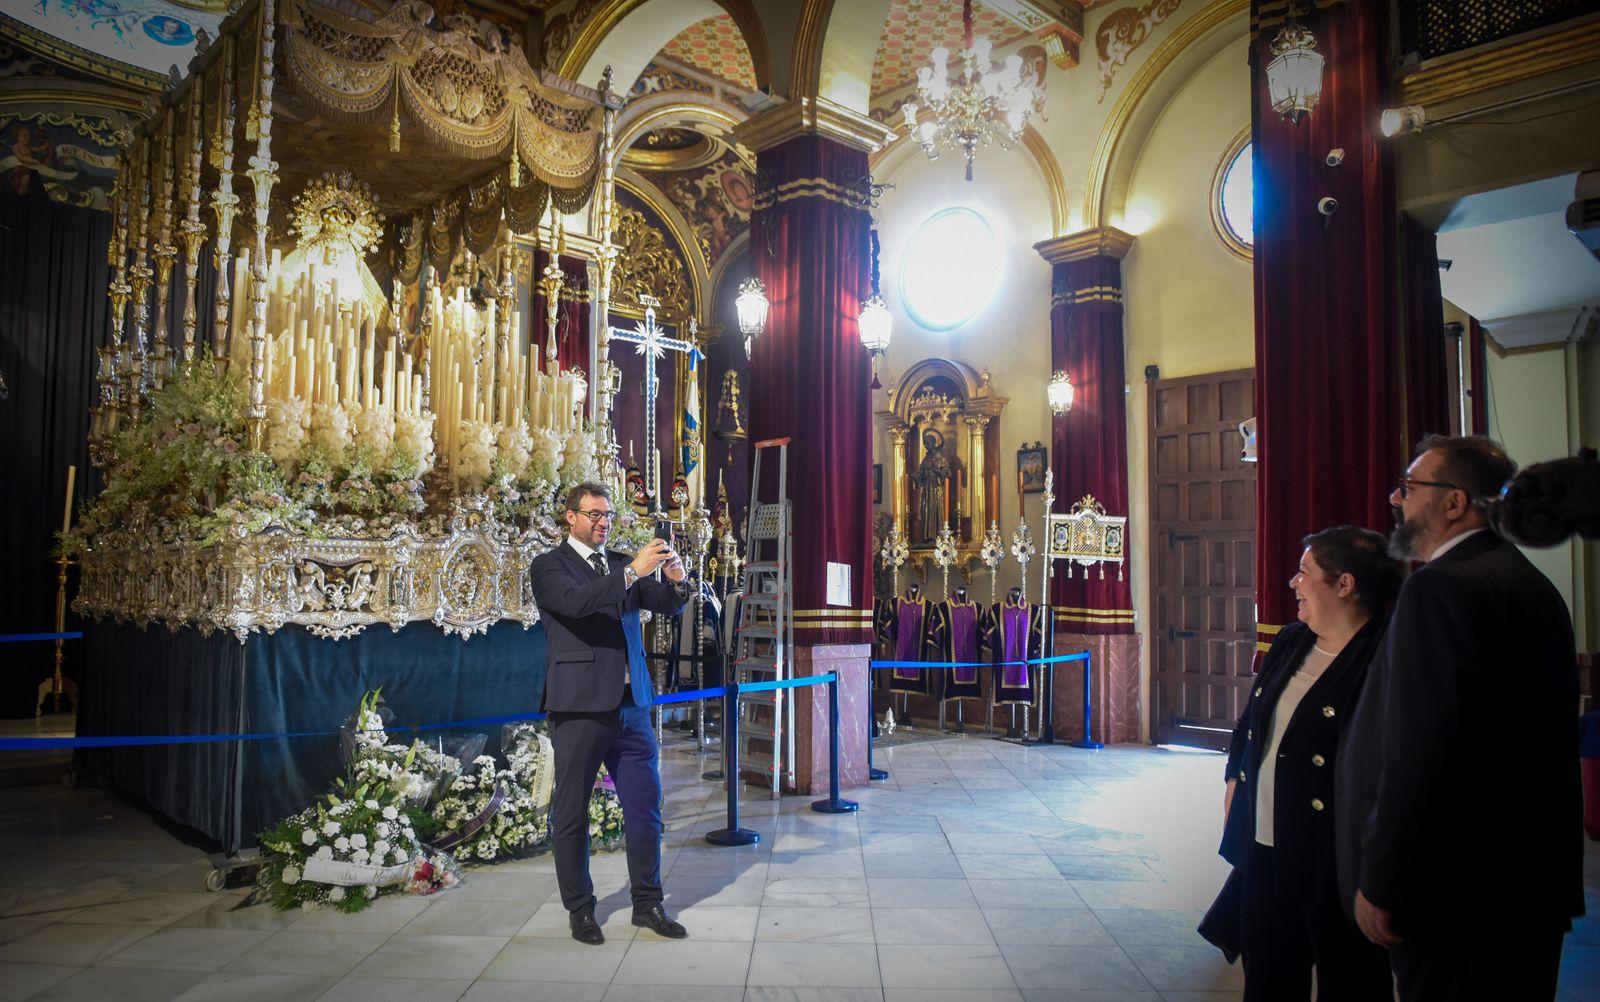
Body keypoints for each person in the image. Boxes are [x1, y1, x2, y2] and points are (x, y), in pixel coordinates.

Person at [1337, 435, 1582, 1000]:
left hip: (1456, 893)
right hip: (1526, 882)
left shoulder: (1440, 587)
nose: (1396, 499)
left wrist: (1384, 878)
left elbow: (1421, 751)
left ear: (1454, 502)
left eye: (1409, 487)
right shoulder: (1528, 580)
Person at [1212, 526, 1401, 1001]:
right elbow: (1250, 722)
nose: (1293, 583)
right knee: (1268, 981)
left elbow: (1395, 773)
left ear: (1345, 585)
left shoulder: (1386, 658)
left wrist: (1382, 872)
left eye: (1304, 573)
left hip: (1334, 859)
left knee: (1352, 983)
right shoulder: (1293, 640)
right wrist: (1235, 782)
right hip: (1265, 850)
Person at [528, 482, 691, 946]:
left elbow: (665, 604)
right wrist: (631, 572)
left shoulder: (622, 563)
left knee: (646, 808)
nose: (603, 522)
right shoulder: (548, 566)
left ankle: (648, 903)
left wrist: (676, 579)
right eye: (595, 514)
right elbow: (576, 604)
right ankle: (580, 910)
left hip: (631, 707)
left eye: (608, 515)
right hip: (579, 706)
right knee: (572, 813)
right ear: (571, 517)